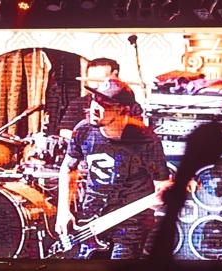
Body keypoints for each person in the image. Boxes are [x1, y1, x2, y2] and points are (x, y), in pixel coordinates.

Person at [54, 77, 171, 259]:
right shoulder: (83, 130)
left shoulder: (146, 139)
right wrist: (63, 211)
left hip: (130, 224)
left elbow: (161, 184)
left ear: (123, 109)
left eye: (105, 104)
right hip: (90, 221)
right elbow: (68, 168)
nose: (95, 107)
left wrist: (163, 194)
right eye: (94, 99)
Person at [57, 57, 121, 131]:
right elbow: (64, 131)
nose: (96, 85)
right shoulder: (78, 103)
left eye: (101, 80)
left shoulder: (126, 105)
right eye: (91, 80)